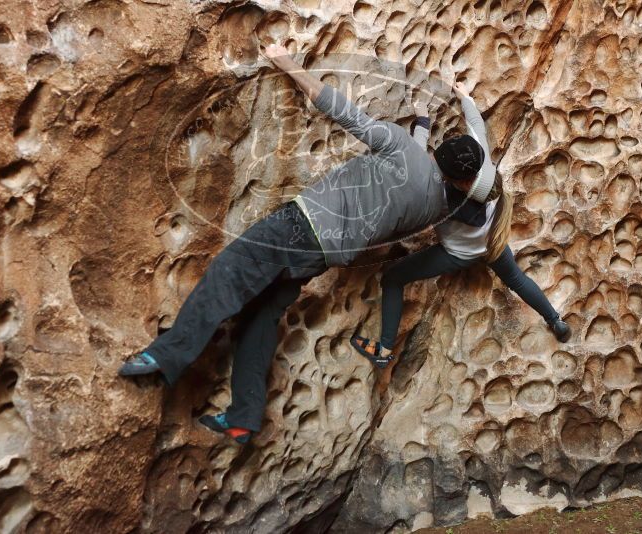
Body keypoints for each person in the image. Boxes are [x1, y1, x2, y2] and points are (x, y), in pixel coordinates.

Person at [118, 44, 470, 444]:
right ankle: (244, 418)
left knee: (227, 274)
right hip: (323, 255)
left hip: (301, 225)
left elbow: (340, 109)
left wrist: (286, 62)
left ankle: (165, 356)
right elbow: (419, 166)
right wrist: (421, 129)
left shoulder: (400, 147)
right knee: (260, 316)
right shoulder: (432, 205)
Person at [350, 81, 572, 368]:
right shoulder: (481, 166)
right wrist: (464, 95)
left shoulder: (438, 197)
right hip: (493, 239)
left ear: (453, 180)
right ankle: (555, 320)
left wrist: (423, 120)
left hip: (458, 254)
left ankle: (384, 350)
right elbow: (476, 125)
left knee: (393, 278)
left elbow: (414, 162)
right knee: (516, 279)